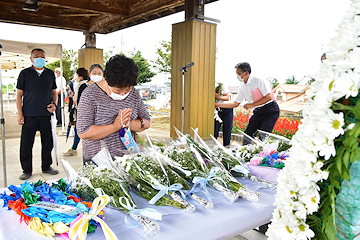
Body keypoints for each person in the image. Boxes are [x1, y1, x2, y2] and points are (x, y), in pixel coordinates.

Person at [77, 54, 151, 162]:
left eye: (128, 89)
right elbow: (83, 132)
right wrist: (115, 126)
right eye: (118, 90)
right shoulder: (90, 95)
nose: (124, 93)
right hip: (98, 161)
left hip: (128, 159)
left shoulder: (134, 93)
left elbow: (147, 122)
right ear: (106, 79)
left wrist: (127, 123)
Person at [16, 48, 59, 180]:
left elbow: (54, 92)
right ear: (31, 58)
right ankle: (26, 170)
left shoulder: (50, 74)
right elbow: (19, 95)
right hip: (29, 115)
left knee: (47, 142)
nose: (40, 58)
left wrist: (54, 105)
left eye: (42, 56)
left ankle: (46, 166)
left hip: (45, 114)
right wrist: (20, 113)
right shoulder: (24, 74)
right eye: (36, 56)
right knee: (26, 144)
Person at [215, 62, 279, 145]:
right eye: (236, 74)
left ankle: (260, 156)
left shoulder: (258, 80)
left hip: (270, 110)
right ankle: (244, 155)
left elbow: (268, 97)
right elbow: (235, 103)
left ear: (246, 73)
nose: (237, 76)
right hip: (258, 111)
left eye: (239, 73)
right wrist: (218, 105)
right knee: (247, 136)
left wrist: (252, 105)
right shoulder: (242, 87)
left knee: (263, 137)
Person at [63, 64, 101, 156]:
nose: (76, 77)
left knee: (80, 130)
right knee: (80, 130)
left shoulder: (82, 85)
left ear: (80, 76)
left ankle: (75, 148)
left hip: (82, 113)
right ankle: (76, 148)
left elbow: (80, 100)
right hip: (88, 113)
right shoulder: (90, 85)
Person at [214, 82, 233, 147]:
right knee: (214, 132)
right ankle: (213, 149)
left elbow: (227, 97)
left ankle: (227, 148)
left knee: (227, 132)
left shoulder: (221, 85)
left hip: (227, 110)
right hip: (216, 111)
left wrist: (218, 97)